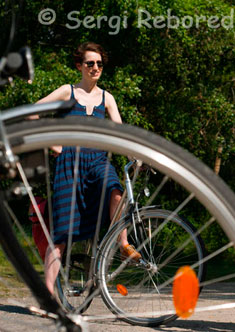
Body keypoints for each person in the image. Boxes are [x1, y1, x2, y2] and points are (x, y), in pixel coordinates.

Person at [34, 42, 141, 294]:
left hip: (97, 161)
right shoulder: (66, 92)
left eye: (99, 64)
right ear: (79, 66)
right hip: (69, 165)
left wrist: (137, 155)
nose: (95, 68)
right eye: (90, 63)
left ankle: (123, 242)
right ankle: (48, 294)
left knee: (116, 190)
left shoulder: (107, 98)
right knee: (61, 236)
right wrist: (53, 144)